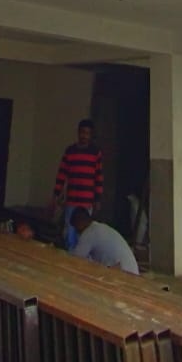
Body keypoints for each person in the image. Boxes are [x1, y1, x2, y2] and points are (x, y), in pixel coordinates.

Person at [52, 118, 104, 249]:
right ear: (78, 133)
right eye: (82, 132)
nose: (84, 136)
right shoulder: (70, 151)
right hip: (72, 199)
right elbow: (62, 174)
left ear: (91, 135)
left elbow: (98, 177)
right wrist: (56, 193)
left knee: (85, 232)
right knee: (69, 230)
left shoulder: (95, 153)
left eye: (87, 133)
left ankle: (82, 255)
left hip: (87, 201)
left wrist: (97, 199)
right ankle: (71, 253)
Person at [69, 207, 139, 275]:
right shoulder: (99, 227)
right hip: (131, 269)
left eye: (76, 226)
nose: (76, 231)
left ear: (81, 222)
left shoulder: (89, 233)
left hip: (125, 272)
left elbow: (76, 259)